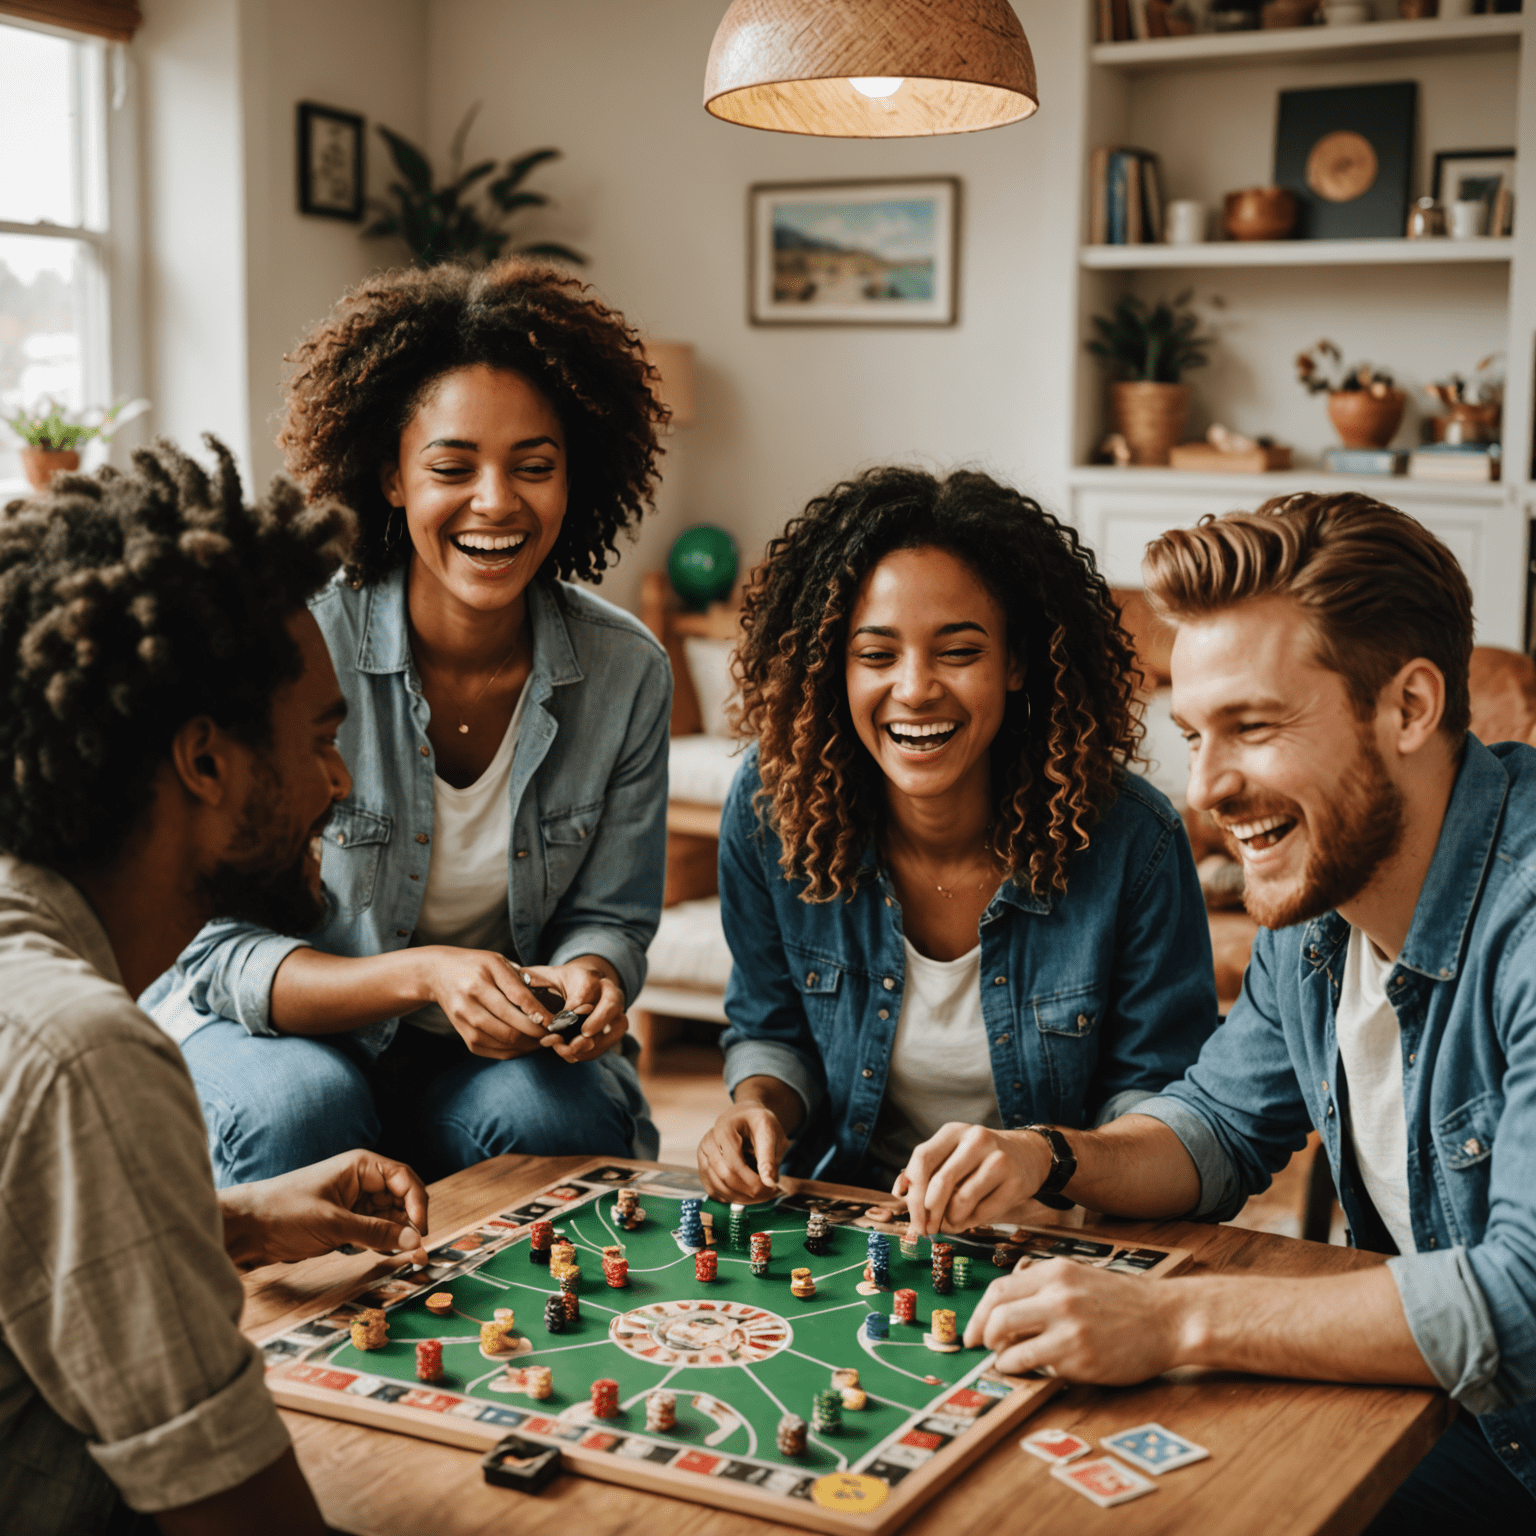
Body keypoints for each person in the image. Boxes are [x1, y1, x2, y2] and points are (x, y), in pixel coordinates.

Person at [913, 492, 1536, 1526]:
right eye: (1194, 733)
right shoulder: (1322, 902)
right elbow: (1216, 1128)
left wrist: (1176, 1321)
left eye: (1253, 727)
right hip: (1463, 1420)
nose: (1204, 789)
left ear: (1412, 707)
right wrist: (1047, 1156)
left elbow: (1519, 1304)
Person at [146, 259, 671, 1183]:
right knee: (303, 1108)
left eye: (533, 468)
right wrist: (425, 974)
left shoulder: (627, 671)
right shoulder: (297, 641)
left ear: (573, 479)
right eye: (452, 466)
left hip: (477, 1061)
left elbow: (609, 919)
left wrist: (593, 980)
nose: (497, 502)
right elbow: (216, 951)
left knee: (566, 1114)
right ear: (391, 476)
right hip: (272, 1032)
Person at [0, 439, 434, 1535]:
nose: (340, 787)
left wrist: (231, 1218)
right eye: (322, 740)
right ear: (207, 762)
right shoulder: (82, 1050)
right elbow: (245, 1518)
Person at [696, 467, 1219, 1201]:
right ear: (832, 670)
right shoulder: (772, 807)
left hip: (1053, 1233)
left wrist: (1045, 1161)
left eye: (959, 651)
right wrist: (755, 1110)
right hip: (852, 1216)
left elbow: (1160, 1103)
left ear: (1016, 662)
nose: (914, 688)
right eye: (876, 654)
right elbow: (771, 1028)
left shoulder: (1135, 839)